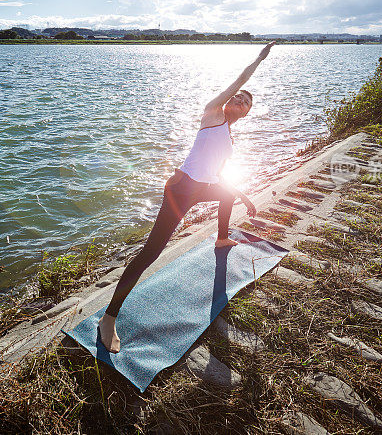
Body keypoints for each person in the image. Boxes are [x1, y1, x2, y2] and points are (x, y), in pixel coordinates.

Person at [98, 41, 275, 353]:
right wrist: (259, 58)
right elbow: (239, 81)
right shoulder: (212, 114)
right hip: (182, 188)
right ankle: (109, 318)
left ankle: (222, 238)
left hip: (202, 188)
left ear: (247, 113)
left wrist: (244, 197)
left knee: (225, 194)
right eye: (238, 96)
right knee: (150, 253)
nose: (239, 98)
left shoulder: (229, 138)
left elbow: (219, 178)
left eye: (245, 101)